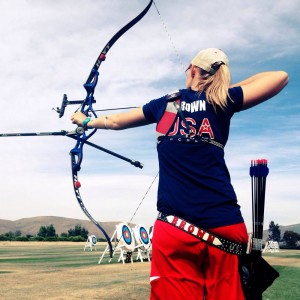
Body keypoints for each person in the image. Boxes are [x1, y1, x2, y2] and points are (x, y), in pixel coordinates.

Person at [71, 48, 288, 300]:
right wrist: (222, 90)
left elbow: (116, 121)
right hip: (225, 225)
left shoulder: (167, 104)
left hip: (176, 229)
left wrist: (84, 120)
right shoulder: (222, 100)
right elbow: (280, 76)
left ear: (193, 69)